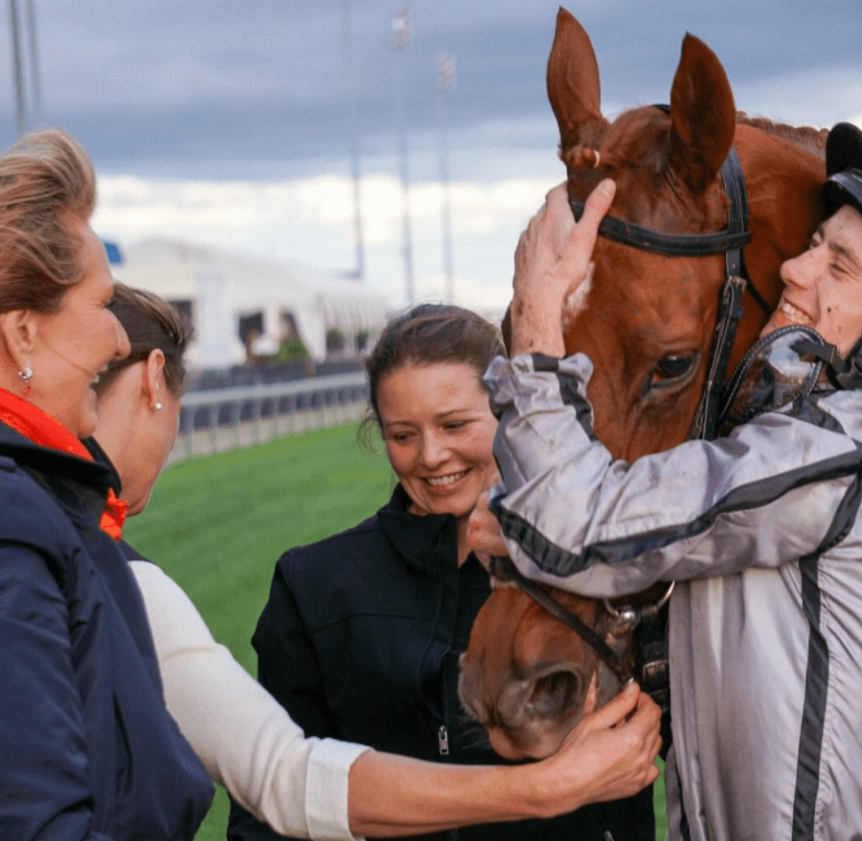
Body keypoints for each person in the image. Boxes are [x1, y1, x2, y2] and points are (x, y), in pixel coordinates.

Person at [471, 123, 862, 840]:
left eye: (839, 267)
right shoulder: (802, 453)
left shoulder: (846, 455)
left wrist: (535, 327)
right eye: (812, 246)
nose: (795, 274)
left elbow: (586, 524)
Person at [89, 285, 662, 838]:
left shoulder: (601, 573)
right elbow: (267, 805)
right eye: (403, 434)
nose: (432, 455)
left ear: (513, 412)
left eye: (455, 424)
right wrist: (549, 786)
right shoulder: (315, 585)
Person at [0, 130, 214, 839]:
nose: (120, 341)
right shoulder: (14, 521)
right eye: (100, 306)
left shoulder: (40, 499)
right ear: (23, 332)